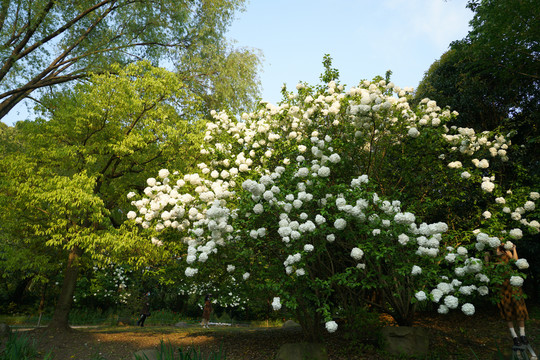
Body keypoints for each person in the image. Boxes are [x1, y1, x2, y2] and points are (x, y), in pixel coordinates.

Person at [492, 242, 530, 348]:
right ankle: (514, 337)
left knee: (519, 307)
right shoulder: (489, 254)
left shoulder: (506, 251)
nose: (501, 240)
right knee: (506, 309)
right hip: (499, 284)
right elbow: (487, 267)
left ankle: (522, 335)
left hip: (512, 283)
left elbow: (515, 261)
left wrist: (514, 249)